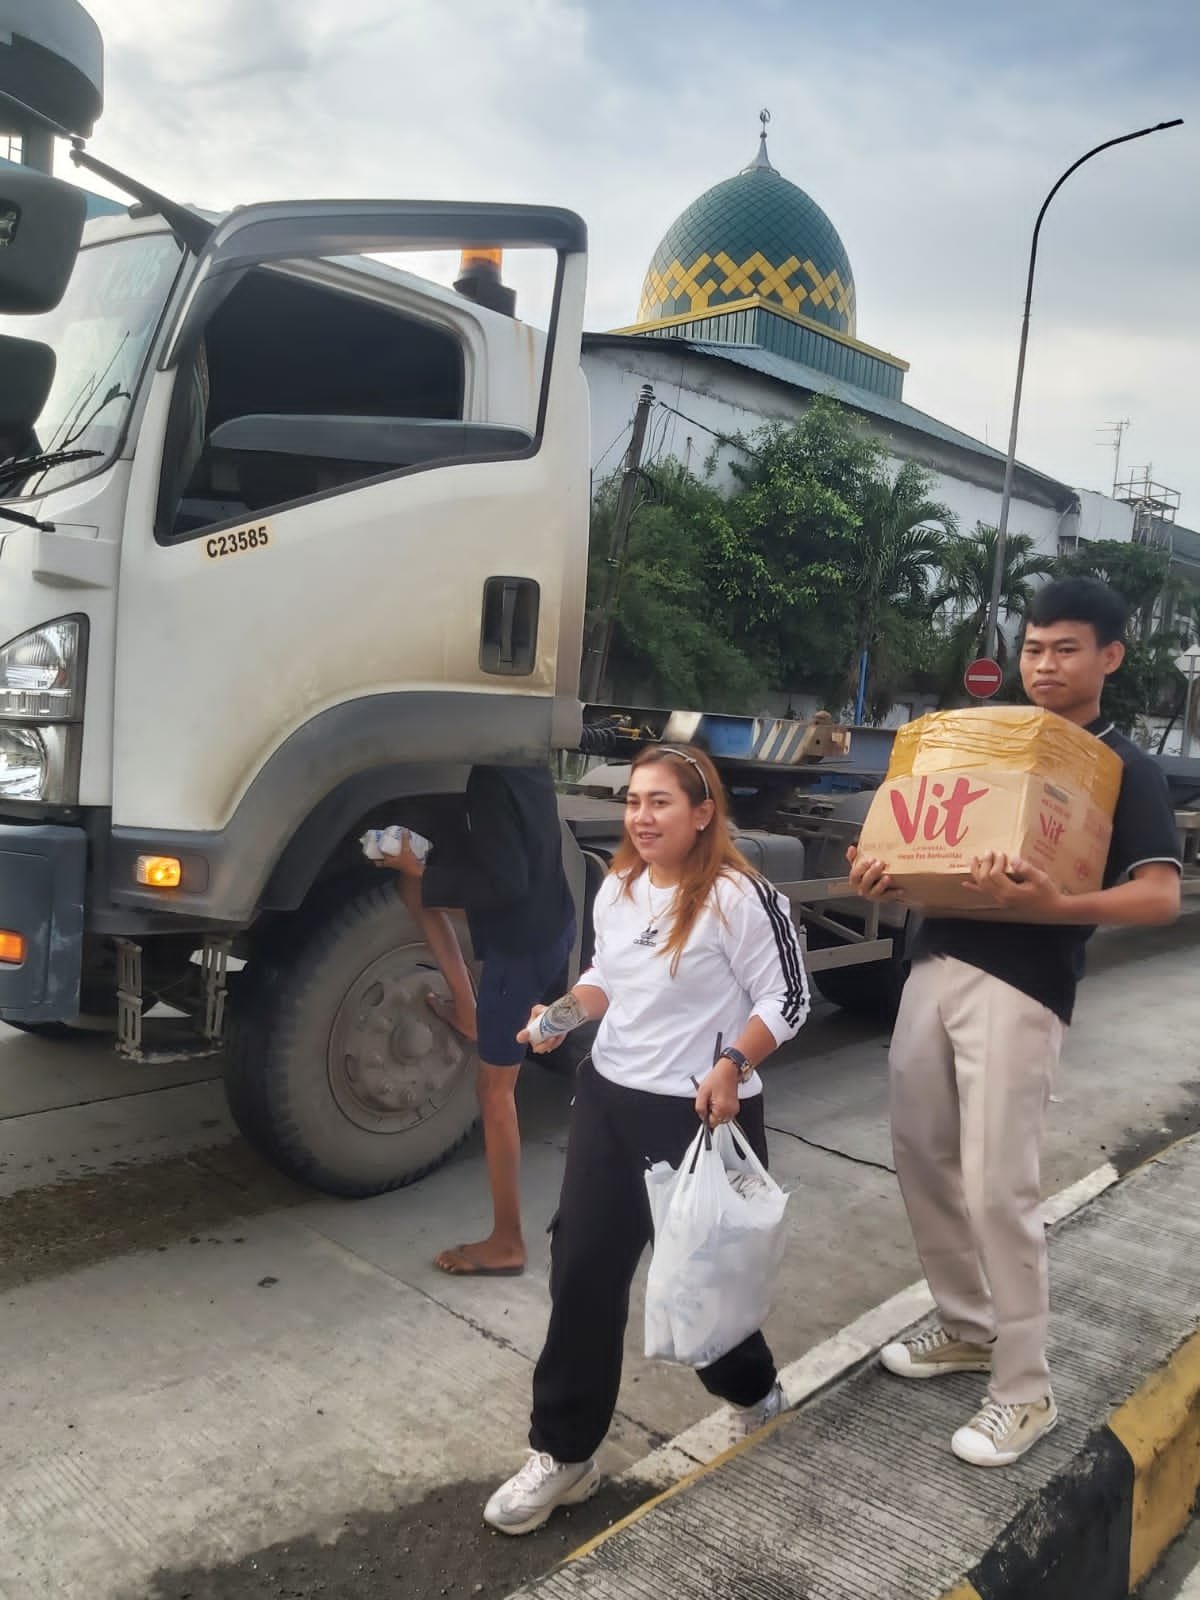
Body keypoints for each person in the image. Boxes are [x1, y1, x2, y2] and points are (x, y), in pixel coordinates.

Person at [849, 578, 1182, 1468]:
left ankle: (1024, 1390)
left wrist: (1061, 902)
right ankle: (966, 1326)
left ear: (1110, 657)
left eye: (1065, 649)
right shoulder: (979, 742)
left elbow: (1158, 895)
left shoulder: (1123, 766)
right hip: (931, 961)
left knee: (1001, 1186)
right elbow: (924, 839)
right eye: (1034, 648)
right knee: (922, 1156)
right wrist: (880, 874)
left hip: (1023, 983)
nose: (1045, 664)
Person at [482, 744, 810, 1535]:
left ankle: (754, 1393)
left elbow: (789, 997)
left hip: (702, 1114)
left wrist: (733, 1064)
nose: (641, 816)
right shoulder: (620, 886)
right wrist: (558, 1020)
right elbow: (607, 977)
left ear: (703, 812)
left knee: (703, 1282)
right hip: (610, 1102)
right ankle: (566, 1454)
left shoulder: (740, 896)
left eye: (661, 801)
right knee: (583, 1273)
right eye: (634, 800)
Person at [379, 764, 575, 1277]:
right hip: (551, 919)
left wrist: (418, 863)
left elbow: (504, 882)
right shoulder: (523, 759)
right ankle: (470, 1011)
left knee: (494, 1094)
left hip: (521, 946)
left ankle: (508, 1241)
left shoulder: (491, 776)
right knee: (414, 891)